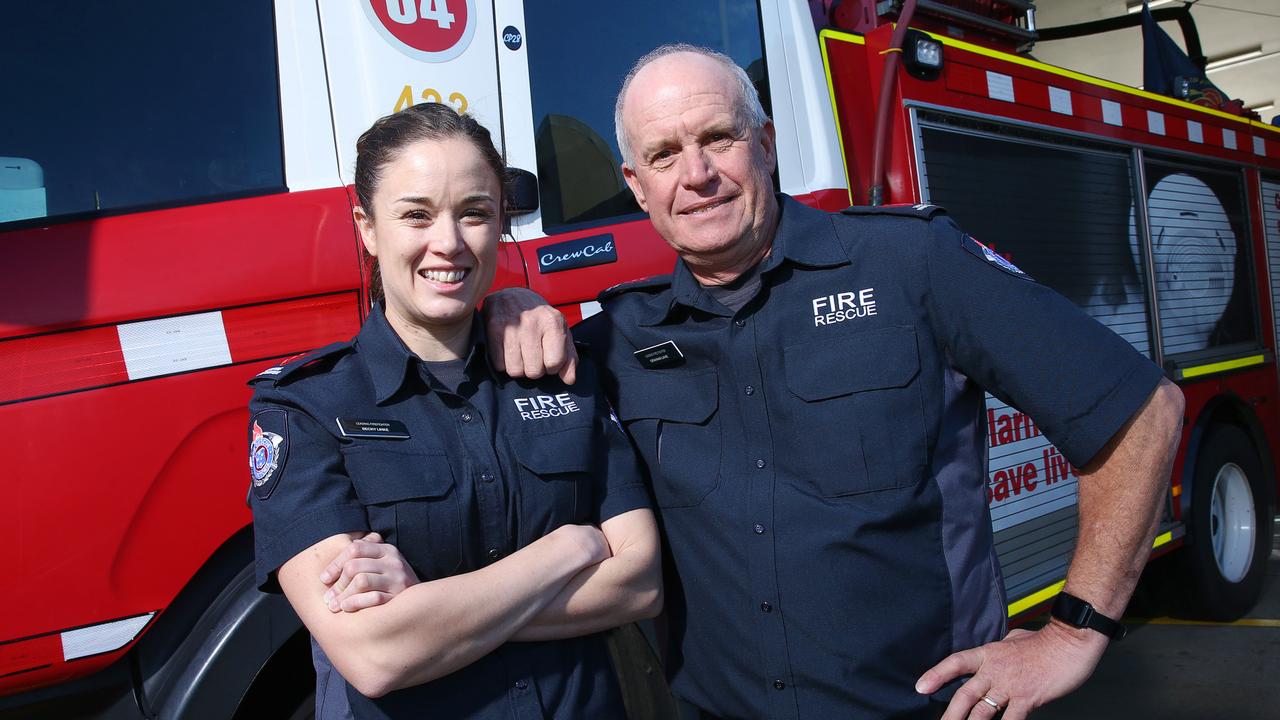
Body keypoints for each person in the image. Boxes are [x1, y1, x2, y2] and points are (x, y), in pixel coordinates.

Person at [480, 44, 1185, 720]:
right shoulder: (618, 338)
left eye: (718, 138)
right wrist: (506, 305)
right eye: (663, 155)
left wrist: (1074, 632)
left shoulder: (910, 263)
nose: (695, 174)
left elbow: (1140, 410)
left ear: (766, 142)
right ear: (637, 186)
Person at [247, 102, 661, 720]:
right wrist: (568, 550)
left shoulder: (557, 368)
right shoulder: (306, 408)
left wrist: (431, 612)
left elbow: (639, 581)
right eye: (416, 215)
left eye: (475, 213)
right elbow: (375, 655)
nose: (449, 242)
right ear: (366, 227)